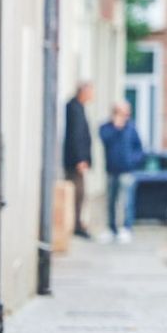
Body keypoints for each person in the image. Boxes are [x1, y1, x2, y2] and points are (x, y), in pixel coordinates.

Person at [97, 101, 144, 243]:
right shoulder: (106, 127)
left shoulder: (131, 128)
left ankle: (126, 228)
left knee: (126, 201)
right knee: (111, 201)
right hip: (112, 170)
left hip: (127, 170)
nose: (124, 116)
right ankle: (111, 228)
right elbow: (105, 139)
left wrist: (132, 161)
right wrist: (117, 127)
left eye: (126, 113)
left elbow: (139, 148)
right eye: (121, 112)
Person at [62, 82, 94, 239]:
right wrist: (80, 159)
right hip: (75, 162)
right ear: (83, 92)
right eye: (90, 92)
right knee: (78, 193)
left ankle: (77, 224)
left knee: (80, 194)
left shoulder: (78, 107)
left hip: (77, 161)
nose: (92, 95)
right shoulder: (74, 108)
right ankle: (75, 225)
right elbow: (76, 136)